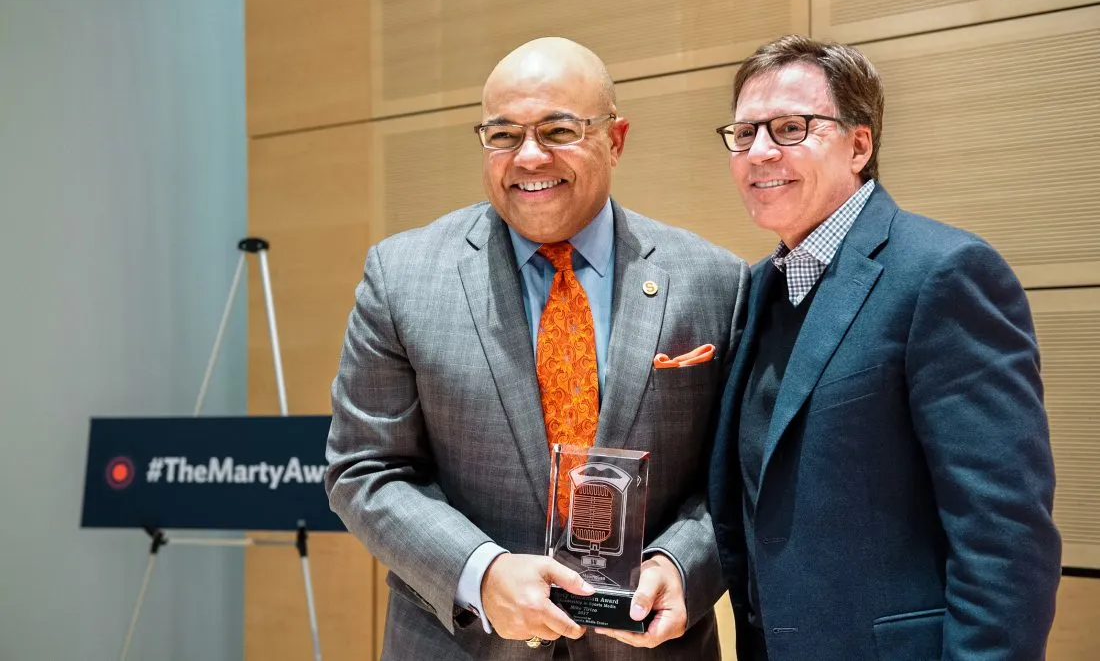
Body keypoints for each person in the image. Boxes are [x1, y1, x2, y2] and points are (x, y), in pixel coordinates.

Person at [326, 36, 749, 660]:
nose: (528, 156)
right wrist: (481, 571)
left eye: (558, 130)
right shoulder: (402, 277)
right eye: (502, 135)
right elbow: (364, 469)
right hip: (463, 643)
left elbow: (741, 473)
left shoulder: (715, 281)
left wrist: (684, 564)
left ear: (617, 139)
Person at [707, 34, 1062, 661]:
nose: (761, 152)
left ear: (859, 144)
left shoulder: (945, 274)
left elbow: (1003, 537)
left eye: (791, 127)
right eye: (744, 133)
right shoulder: (759, 287)